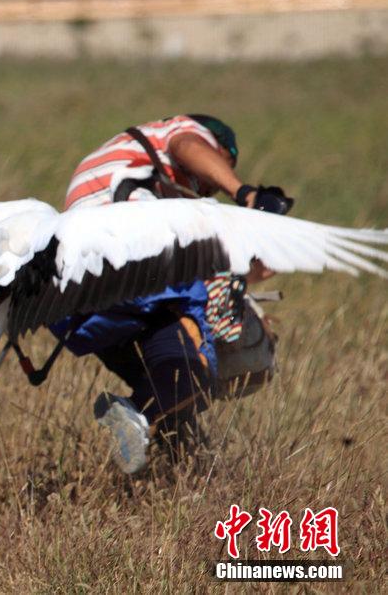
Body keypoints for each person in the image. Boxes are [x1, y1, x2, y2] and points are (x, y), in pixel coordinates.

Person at [52, 114, 292, 473]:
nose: (206, 189)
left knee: (165, 384)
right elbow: (187, 146)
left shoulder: (122, 170)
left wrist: (250, 265)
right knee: (195, 371)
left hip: (73, 301)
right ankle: (142, 417)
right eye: (222, 165)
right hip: (135, 270)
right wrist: (245, 193)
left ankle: (167, 449)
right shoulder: (174, 136)